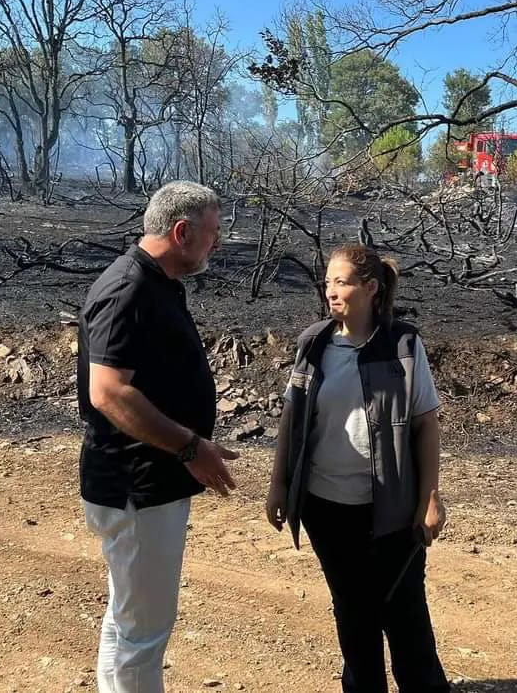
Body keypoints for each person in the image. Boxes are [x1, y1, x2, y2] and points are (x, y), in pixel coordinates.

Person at [266, 244, 450, 693]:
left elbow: (426, 425)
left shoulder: (404, 345)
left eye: (342, 282)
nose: (331, 290)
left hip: (390, 509)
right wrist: (278, 485)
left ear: (370, 288)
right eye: (328, 281)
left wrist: (429, 497)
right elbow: (292, 418)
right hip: (325, 508)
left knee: (404, 614)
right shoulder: (314, 343)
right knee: (352, 613)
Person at [78, 180, 239, 693]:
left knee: (131, 619)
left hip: (148, 482)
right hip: (137, 484)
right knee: (142, 631)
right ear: (182, 231)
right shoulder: (128, 288)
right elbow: (108, 393)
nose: (217, 242)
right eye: (212, 233)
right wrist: (191, 447)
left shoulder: (156, 282)